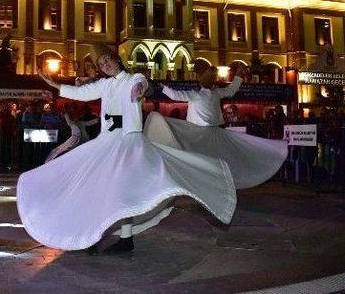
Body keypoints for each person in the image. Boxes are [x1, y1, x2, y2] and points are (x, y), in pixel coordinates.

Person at [17, 44, 236, 254]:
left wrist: (141, 89)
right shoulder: (104, 85)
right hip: (107, 142)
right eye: (101, 64)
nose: (106, 65)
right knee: (101, 188)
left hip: (129, 142)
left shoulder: (133, 78)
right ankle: (100, 235)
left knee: (123, 191)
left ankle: (124, 239)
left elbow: (142, 84)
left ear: (116, 59)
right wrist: (55, 85)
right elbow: (82, 93)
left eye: (107, 60)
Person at [145, 65, 288, 189]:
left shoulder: (194, 95)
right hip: (215, 133)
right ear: (213, 83)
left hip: (198, 134)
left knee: (194, 157)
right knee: (218, 158)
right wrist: (238, 76)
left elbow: (175, 94)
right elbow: (232, 90)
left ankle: (195, 180)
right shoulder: (216, 93)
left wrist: (161, 86)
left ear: (201, 82)